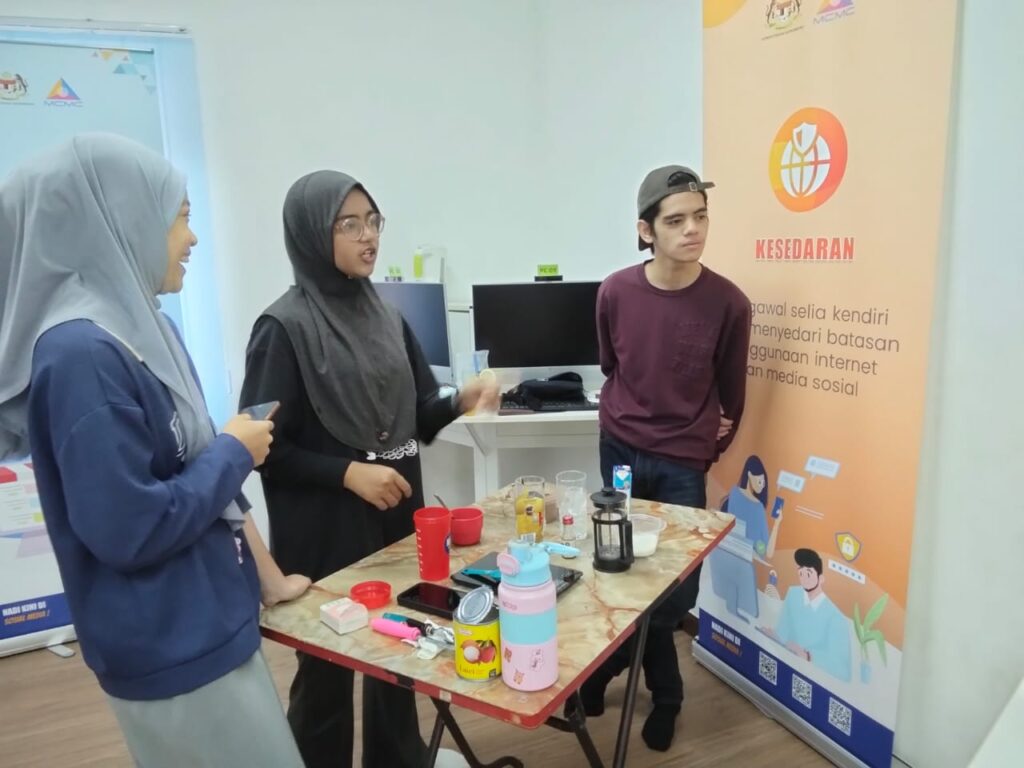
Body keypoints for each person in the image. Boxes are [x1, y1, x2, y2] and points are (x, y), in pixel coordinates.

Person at [0, 134, 305, 767]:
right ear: (118, 216)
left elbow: (198, 460)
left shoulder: (146, 327)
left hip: (212, 618)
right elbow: (129, 529)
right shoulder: (81, 355)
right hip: (171, 646)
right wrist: (234, 452)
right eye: (179, 217)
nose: (191, 239)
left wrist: (267, 579)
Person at [239, 170, 499, 768]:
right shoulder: (282, 329)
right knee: (326, 674)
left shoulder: (387, 316)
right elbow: (262, 449)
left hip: (397, 521)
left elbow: (418, 417)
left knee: (400, 655)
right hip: (326, 532)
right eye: (349, 224)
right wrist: (349, 473)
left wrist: (461, 398)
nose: (369, 236)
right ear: (312, 234)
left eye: (373, 221)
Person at [578, 165, 752, 750]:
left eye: (700, 217)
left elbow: (732, 396)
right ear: (645, 230)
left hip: (682, 461)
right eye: (676, 220)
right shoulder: (615, 291)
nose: (692, 230)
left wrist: (701, 446)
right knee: (622, 569)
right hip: (620, 448)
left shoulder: (729, 303)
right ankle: (668, 695)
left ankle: (605, 668)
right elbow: (612, 365)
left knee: (677, 591)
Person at [759, 548, 852, 682]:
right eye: (800, 573)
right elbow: (783, 631)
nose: (804, 578)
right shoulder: (794, 594)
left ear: (821, 579)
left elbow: (842, 670)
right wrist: (775, 636)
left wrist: (808, 656)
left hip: (814, 678)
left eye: (808, 574)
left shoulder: (836, 618)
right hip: (786, 665)